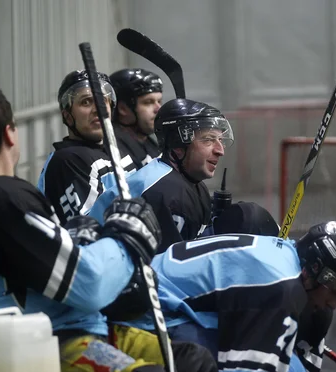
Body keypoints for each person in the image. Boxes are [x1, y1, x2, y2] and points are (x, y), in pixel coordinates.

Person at [0, 85, 224, 372]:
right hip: (46, 342)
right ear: (10, 134)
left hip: (70, 325)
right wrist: (127, 238)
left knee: (192, 361)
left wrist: (76, 235)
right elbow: (90, 285)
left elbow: (39, 251)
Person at [120, 219, 336, 372]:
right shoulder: (279, 289)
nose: (334, 304)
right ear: (318, 270)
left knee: (279, 367)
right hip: (145, 315)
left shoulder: (282, 261)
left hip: (164, 304)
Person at [88, 97, 233, 253]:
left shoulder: (192, 185)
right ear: (178, 144)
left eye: (220, 140)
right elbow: (167, 269)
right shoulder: (165, 191)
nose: (220, 150)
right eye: (209, 140)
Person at [36, 70, 139, 225]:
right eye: (86, 102)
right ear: (67, 115)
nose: (97, 109)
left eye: (102, 101)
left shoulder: (118, 150)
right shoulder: (67, 161)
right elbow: (89, 230)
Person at [110, 68, 163, 167]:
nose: (158, 109)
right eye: (148, 102)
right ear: (123, 108)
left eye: (159, 101)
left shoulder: (150, 144)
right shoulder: (113, 149)